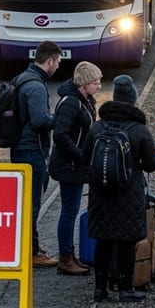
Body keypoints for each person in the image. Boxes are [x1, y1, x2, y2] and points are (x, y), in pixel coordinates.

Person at [86, 75, 155, 302]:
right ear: (133, 100)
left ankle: (100, 288)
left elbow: (85, 156)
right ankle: (126, 288)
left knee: (103, 239)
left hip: (101, 192)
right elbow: (152, 164)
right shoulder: (139, 130)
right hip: (129, 191)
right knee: (128, 240)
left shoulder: (97, 127)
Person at [12, 40, 63, 267]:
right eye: (58, 62)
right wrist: (60, 120)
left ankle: (30, 244)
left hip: (21, 146)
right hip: (32, 150)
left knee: (26, 200)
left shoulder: (22, 78)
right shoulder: (36, 86)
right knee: (31, 202)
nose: (58, 67)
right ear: (49, 60)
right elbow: (40, 120)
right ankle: (32, 252)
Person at [50, 60, 101, 276]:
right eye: (95, 82)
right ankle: (65, 257)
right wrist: (80, 155)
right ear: (84, 84)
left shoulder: (86, 100)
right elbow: (60, 134)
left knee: (71, 209)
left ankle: (69, 255)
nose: (99, 85)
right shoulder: (72, 103)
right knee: (69, 211)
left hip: (76, 165)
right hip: (69, 165)